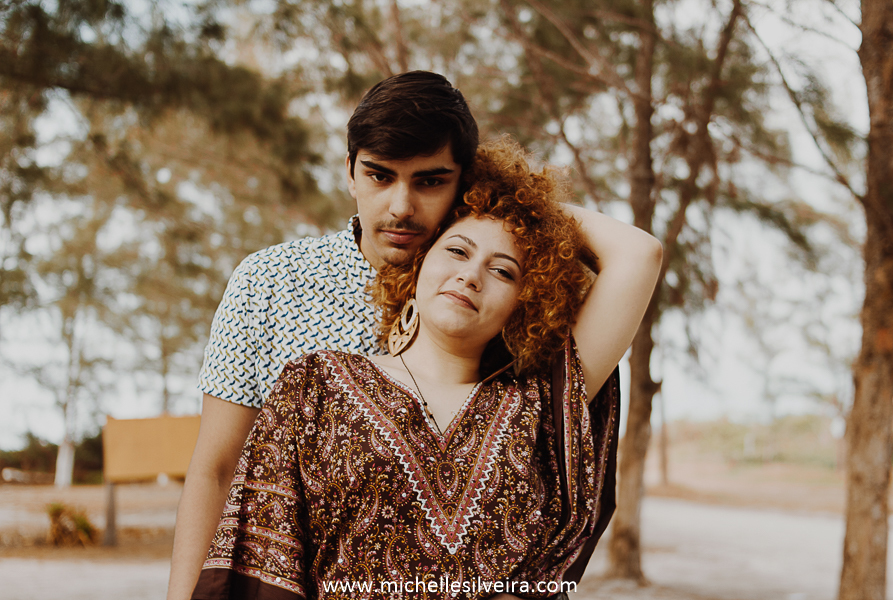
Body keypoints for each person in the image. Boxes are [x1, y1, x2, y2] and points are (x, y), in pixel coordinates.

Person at [190, 137, 663, 599]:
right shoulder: (312, 386)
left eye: (503, 271)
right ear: (416, 267)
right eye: (457, 250)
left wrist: (522, 206)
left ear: (525, 305)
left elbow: (639, 254)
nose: (471, 275)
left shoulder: (541, 404)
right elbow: (263, 564)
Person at [167, 71, 480, 600]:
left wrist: (510, 199)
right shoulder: (269, 282)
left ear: (464, 181)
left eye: (429, 181)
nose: (401, 206)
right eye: (380, 176)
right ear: (350, 173)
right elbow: (215, 469)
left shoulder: (489, 298)